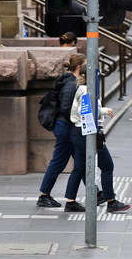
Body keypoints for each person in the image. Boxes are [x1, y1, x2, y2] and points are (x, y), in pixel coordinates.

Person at [64, 66, 130, 213]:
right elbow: (84, 111)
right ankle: (111, 201)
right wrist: (104, 110)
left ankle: (70, 201)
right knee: (107, 166)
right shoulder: (87, 90)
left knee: (79, 168)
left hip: (78, 132)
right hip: (86, 132)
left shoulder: (83, 88)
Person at [37, 54, 84, 208]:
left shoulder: (71, 81)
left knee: (81, 161)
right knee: (59, 161)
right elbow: (66, 108)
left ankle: (96, 192)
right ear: (79, 67)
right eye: (85, 64)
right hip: (66, 127)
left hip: (67, 126)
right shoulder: (71, 84)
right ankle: (44, 195)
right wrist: (76, 121)